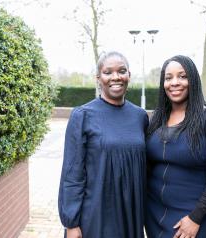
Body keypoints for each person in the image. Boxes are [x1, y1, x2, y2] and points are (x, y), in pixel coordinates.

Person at [58, 51, 149, 238]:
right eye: (108, 72)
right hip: (96, 215)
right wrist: (71, 223)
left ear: (129, 76)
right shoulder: (82, 116)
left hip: (131, 215)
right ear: (99, 78)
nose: (116, 77)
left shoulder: (140, 116)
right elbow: (72, 173)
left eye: (121, 71)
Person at [144, 55, 206, 238]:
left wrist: (196, 218)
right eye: (168, 78)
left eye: (182, 76)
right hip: (154, 215)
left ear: (193, 79)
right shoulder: (156, 120)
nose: (174, 82)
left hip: (193, 219)